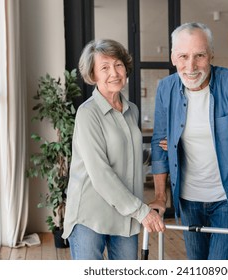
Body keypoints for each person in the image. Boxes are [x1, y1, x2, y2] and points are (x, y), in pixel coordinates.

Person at [149, 22, 228, 260]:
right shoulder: (166, 89)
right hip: (187, 200)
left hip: (227, 198)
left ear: (211, 55)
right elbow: (160, 145)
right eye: (183, 56)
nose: (191, 66)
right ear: (172, 58)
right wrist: (160, 197)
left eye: (200, 55)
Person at [62, 39, 165, 260]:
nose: (114, 73)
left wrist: (161, 152)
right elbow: (100, 173)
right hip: (90, 216)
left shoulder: (132, 110)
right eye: (105, 67)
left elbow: (129, 153)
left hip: (124, 216)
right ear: (93, 75)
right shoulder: (87, 113)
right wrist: (142, 211)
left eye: (118, 65)